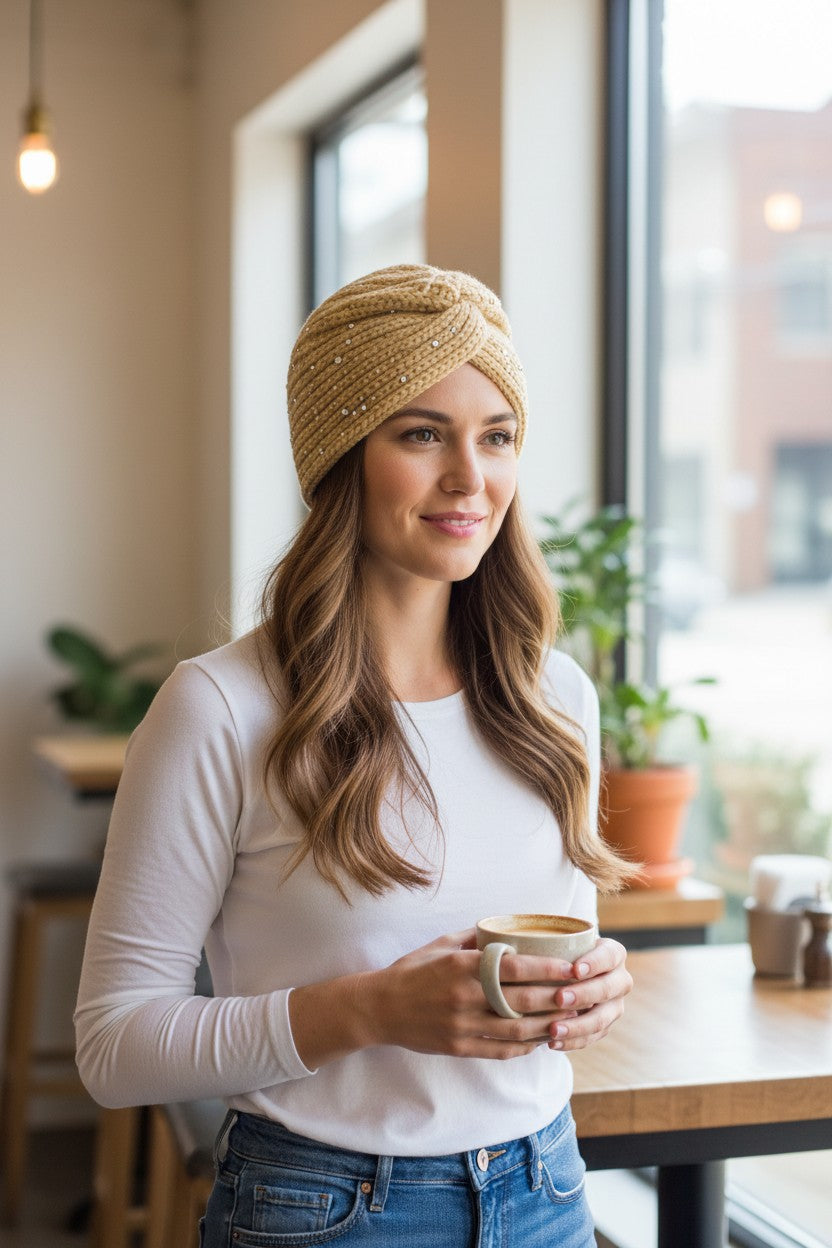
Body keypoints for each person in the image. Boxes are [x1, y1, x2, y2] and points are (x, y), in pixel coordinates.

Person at [75, 263, 634, 1248]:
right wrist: (367, 1011)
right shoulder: (219, 709)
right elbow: (115, 1046)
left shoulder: (558, 701)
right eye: (422, 434)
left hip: (546, 1187)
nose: (471, 478)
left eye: (496, 437)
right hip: (324, 1209)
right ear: (339, 457)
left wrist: (592, 984)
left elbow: (545, 955)